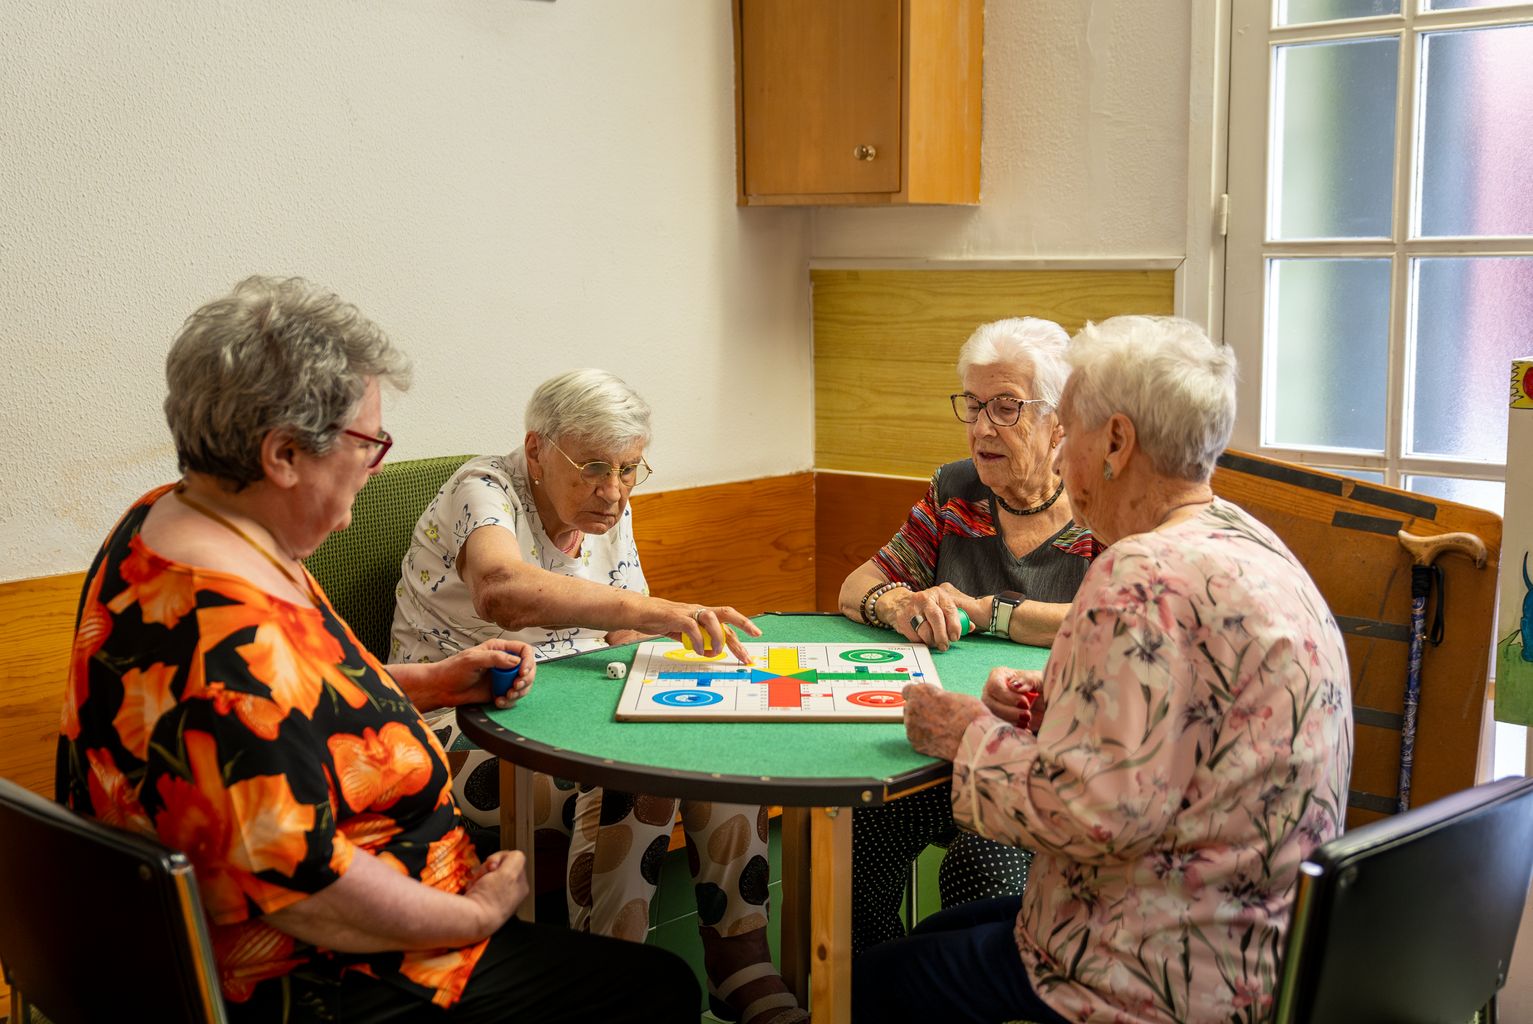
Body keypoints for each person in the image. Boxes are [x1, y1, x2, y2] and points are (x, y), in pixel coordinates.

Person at [55, 277, 699, 1024]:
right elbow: (306, 891)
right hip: (331, 976)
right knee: (657, 989)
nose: (380, 467)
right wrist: (476, 914)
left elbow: (300, 691)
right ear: (283, 454)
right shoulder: (222, 636)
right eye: (368, 443)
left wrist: (432, 681)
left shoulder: (175, 522)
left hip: (354, 920)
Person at [854, 315, 1354, 1024]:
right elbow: (1184, 731)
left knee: (864, 987)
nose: (1062, 459)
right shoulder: (1255, 543)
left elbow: (1087, 816)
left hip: (1152, 966)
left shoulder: (1137, 571)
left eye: (1072, 430)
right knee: (933, 936)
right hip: (1257, 951)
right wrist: (1057, 700)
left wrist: (964, 733)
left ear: (1116, 442)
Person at [392, 368, 804, 1024]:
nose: (612, 492)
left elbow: (621, 629)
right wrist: (661, 613)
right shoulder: (483, 488)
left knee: (717, 737)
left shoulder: (606, 507)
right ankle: (615, 981)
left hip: (577, 710)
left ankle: (739, 962)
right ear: (536, 450)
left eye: (628, 470)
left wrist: (698, 673)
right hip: (458, 729)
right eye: (592, 468)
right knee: (634, 777)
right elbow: (501, 590)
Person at [836, 317, 1099, 955]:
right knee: (854, 835)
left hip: (1051, 767)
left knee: (981, 870)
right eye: (974, 406)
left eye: (1006, 408)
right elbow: (856, 586)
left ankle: (965, 991)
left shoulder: (1101, 505)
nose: (982, 428)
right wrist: (900, 604)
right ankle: (873, 987)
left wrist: (988, 613)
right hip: (943, 755)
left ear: (1060, 420)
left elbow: (1103, 621)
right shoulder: (956, 492)